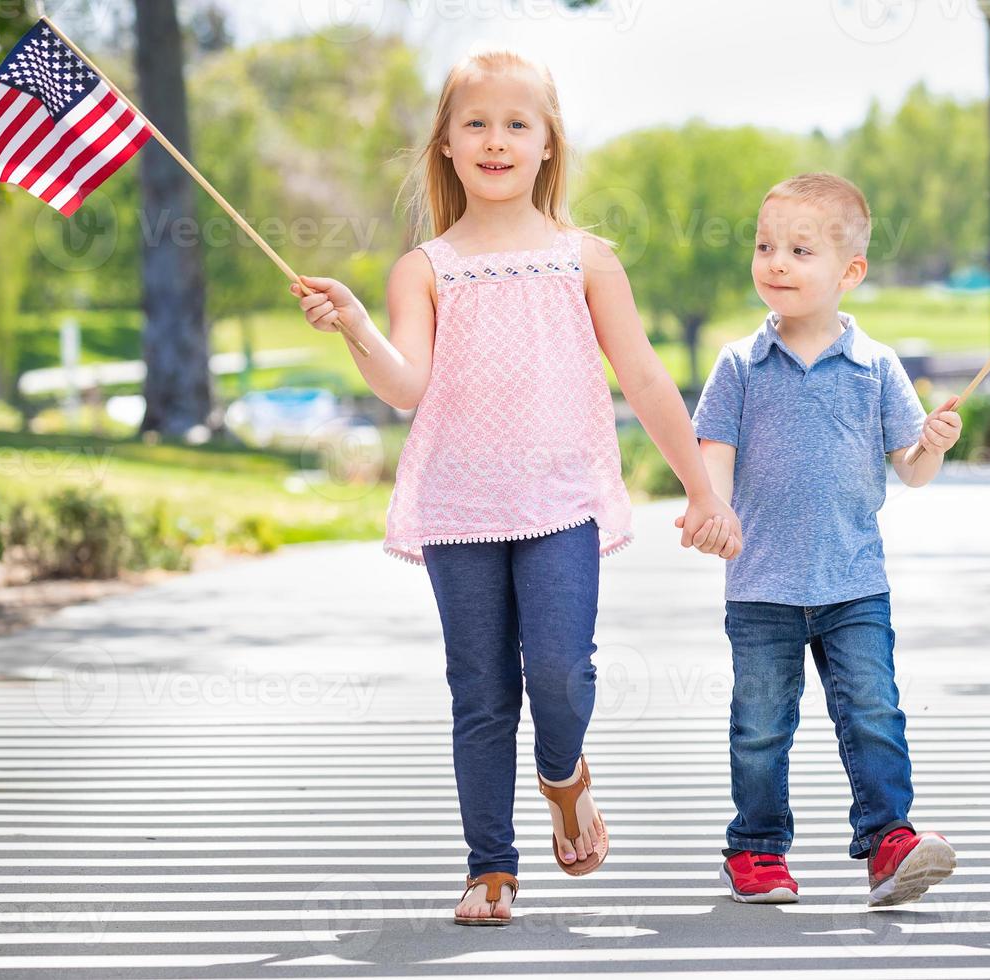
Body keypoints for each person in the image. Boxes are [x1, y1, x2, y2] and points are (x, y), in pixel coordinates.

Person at [290, 45, 742, 926]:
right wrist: (351, 325)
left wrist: (702, 490)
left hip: (561, 500)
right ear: (447, 146)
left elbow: (646, 379)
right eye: (476, 124)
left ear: (547, 144)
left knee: (563, 675)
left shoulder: (586, 259)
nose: (496, 140)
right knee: (481, 689)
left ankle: (565, 774)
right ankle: (490, 865)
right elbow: (407, 386)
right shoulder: (423, 269)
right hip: (459, 507)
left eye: (516, 124)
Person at [686, 172, 961, 907]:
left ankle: (888, 839)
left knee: (873, 710)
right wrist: (712, 508)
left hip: (853, 581)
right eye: (765, 245)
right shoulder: (740, 365)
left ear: (850, 272)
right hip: (763, 585)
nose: (775, 261)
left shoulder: (877, 367)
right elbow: (713, 452)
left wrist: (932, 443)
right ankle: (756, 847)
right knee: (760, 726)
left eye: (799, 249)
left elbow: (912, 469)